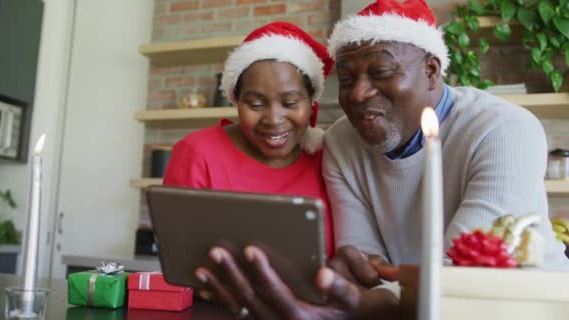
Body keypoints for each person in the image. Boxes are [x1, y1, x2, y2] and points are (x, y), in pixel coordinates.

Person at [195, 0, 569, 319]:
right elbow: (364, 262)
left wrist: (372, 298)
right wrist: (353, 283)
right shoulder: (342, 140)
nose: (358, 94)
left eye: (382, 72)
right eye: (347, 77)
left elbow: (461, 270)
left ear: (432, 70)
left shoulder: (502, 129)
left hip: (523, 308)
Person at [163, 21, 336, 258]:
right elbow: (178, 253)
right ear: (236, 100)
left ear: (311, 102)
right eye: (255, 104)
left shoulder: (329, 158)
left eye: (290, 103)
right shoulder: (198, 153)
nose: (274, 119)